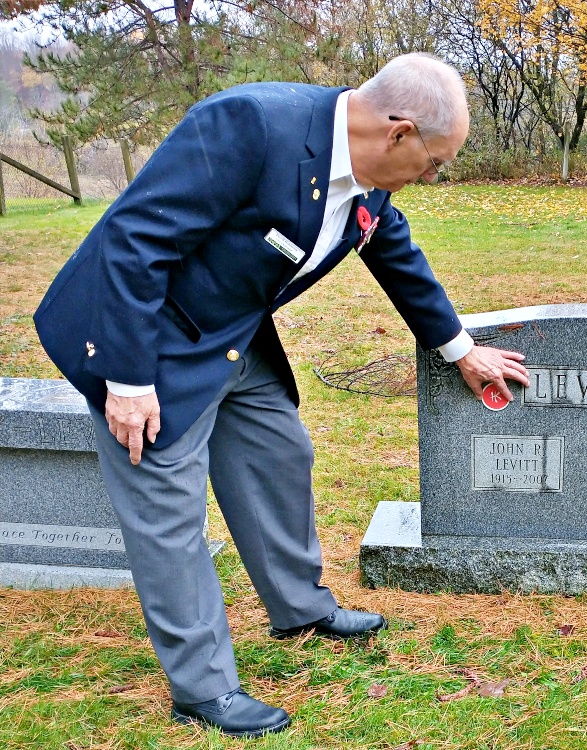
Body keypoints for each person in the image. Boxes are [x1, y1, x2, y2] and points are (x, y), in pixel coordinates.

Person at [33, 53, 530, 738]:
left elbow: (392, 250)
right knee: (168, 516)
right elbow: (133, 240)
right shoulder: (251, 125)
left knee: (279, 451)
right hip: (149, 342)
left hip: (233, 335)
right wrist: (126, 381)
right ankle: (202, 688)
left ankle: (300, 606)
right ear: (399, 132)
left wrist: (459, 347)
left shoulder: (367, 178)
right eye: (434, 161)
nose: (430, 176)